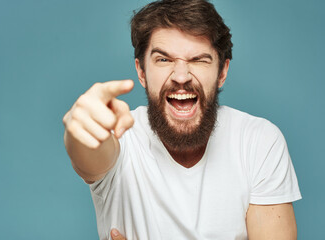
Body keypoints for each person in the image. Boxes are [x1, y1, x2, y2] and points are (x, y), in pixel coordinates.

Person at [63, 0, 302, 239]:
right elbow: (90, 156)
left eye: (198, 60)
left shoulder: (258, 141)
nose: (180, 76)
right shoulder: (121, 136)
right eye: (164, 60)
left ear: (222, 72)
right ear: (141, 72)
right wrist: (82, 130)